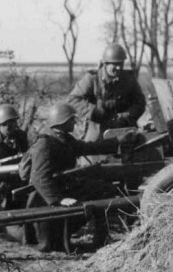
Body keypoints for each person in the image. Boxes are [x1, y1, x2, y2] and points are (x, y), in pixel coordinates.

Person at [25, 102, 130, 253]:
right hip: (45, 198)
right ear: (61, 122)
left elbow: (89, 147)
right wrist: (58, 199)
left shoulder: (65, 139)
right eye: (71, 120)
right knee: (51, 244)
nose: (74, 122)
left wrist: (118, 141)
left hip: (62, 189)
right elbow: (39, 178)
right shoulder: (45, 144)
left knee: (104, 190)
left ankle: (101, 238)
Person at [68, 43, 146, 143]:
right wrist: (94, 111)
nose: (118, 68)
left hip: (124, 129)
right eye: (115, 64)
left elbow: (140, 103)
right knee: (92, 152)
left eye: (121, 64)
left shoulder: (128, 79)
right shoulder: (92, 79)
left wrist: (125, 115)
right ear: (105, 63)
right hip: (98, 129)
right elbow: (73, 99)